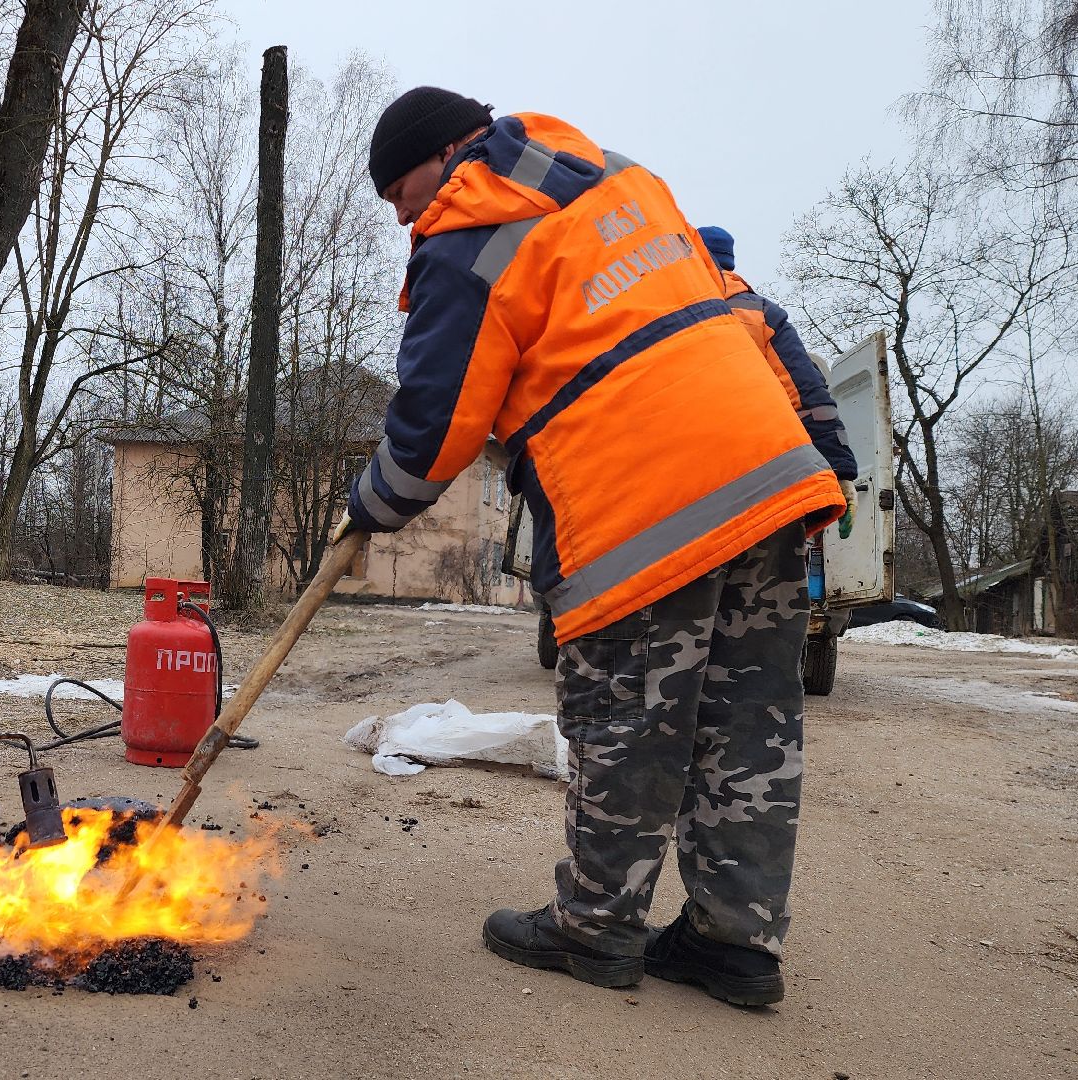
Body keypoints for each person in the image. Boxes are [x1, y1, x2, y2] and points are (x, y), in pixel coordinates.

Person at [345, 87, 846, 1005]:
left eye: (398, 191)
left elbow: (430, 433)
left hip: (642, 498)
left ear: (443, 153)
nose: (402, 214)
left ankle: (595, 926)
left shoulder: (468, 238)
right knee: (749, 727)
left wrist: (367, 509)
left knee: (630, 720)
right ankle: (733, 944)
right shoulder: (620, 182)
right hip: (767, 476)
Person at [695, 226, 859, 497]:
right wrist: (839, 468)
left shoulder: (662, 313)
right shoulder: (763, 315)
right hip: (759, 479)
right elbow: (809, 397)